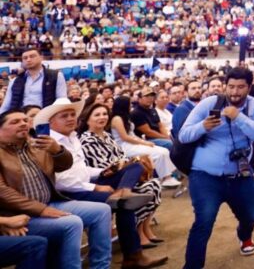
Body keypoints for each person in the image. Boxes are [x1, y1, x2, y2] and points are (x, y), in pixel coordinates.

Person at [40, 98, 166, 268]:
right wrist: (96, 186)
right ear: (51, 121)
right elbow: (62, 181)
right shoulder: (49, 142)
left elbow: (81, 170)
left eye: (72, 115)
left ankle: (123, 192)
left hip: (84, 185)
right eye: (64, 116)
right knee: (124, 203)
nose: (70, 119)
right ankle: (131, 256)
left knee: (135, 166)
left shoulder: (72, 137)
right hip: (67, 193)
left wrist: (102, 171)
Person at [178, 67, 254, 268]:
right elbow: (183, 135)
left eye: (240, 87)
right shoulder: (209, 103)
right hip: (205, 176)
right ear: (225, 86)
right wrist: (203, 127)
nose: (235, 92)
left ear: (249, 88)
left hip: (240, 174)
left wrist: (239, 117)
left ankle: (244, 236)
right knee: (204, 221)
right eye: (231, 86)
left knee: (250, 216)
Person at [0, 109, 112, 269]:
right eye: (15, 122)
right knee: (72, 223)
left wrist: (58, 150)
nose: (23, 123)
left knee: (101, 211)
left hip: (49, 202)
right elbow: (2, 192)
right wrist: (42, 210)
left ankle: (101, 266)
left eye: (25, 120)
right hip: (18, 214)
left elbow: (64, 166)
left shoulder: (34, 145)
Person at [78, 103, 164, 249]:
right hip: (105, 180)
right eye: (97, 115)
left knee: (153, 183)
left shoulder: (107, 136)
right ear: (87, 120)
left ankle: (144, 227)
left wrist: (127, 162)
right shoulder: (87, 139)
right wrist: (127, 163)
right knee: (141, 174)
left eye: (105, 114)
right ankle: (138, 231)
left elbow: (121, 157)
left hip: (122, 176)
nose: (102, 117)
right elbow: (104, 168)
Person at [0, 48, 67, 113]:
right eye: (25, 58)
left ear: (41, 57)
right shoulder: (15, 81)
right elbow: (6, 106)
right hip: (22, 117)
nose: (28, 60)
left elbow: (61, 100)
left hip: (46, 116)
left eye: (32, 56)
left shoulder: (56, 76)